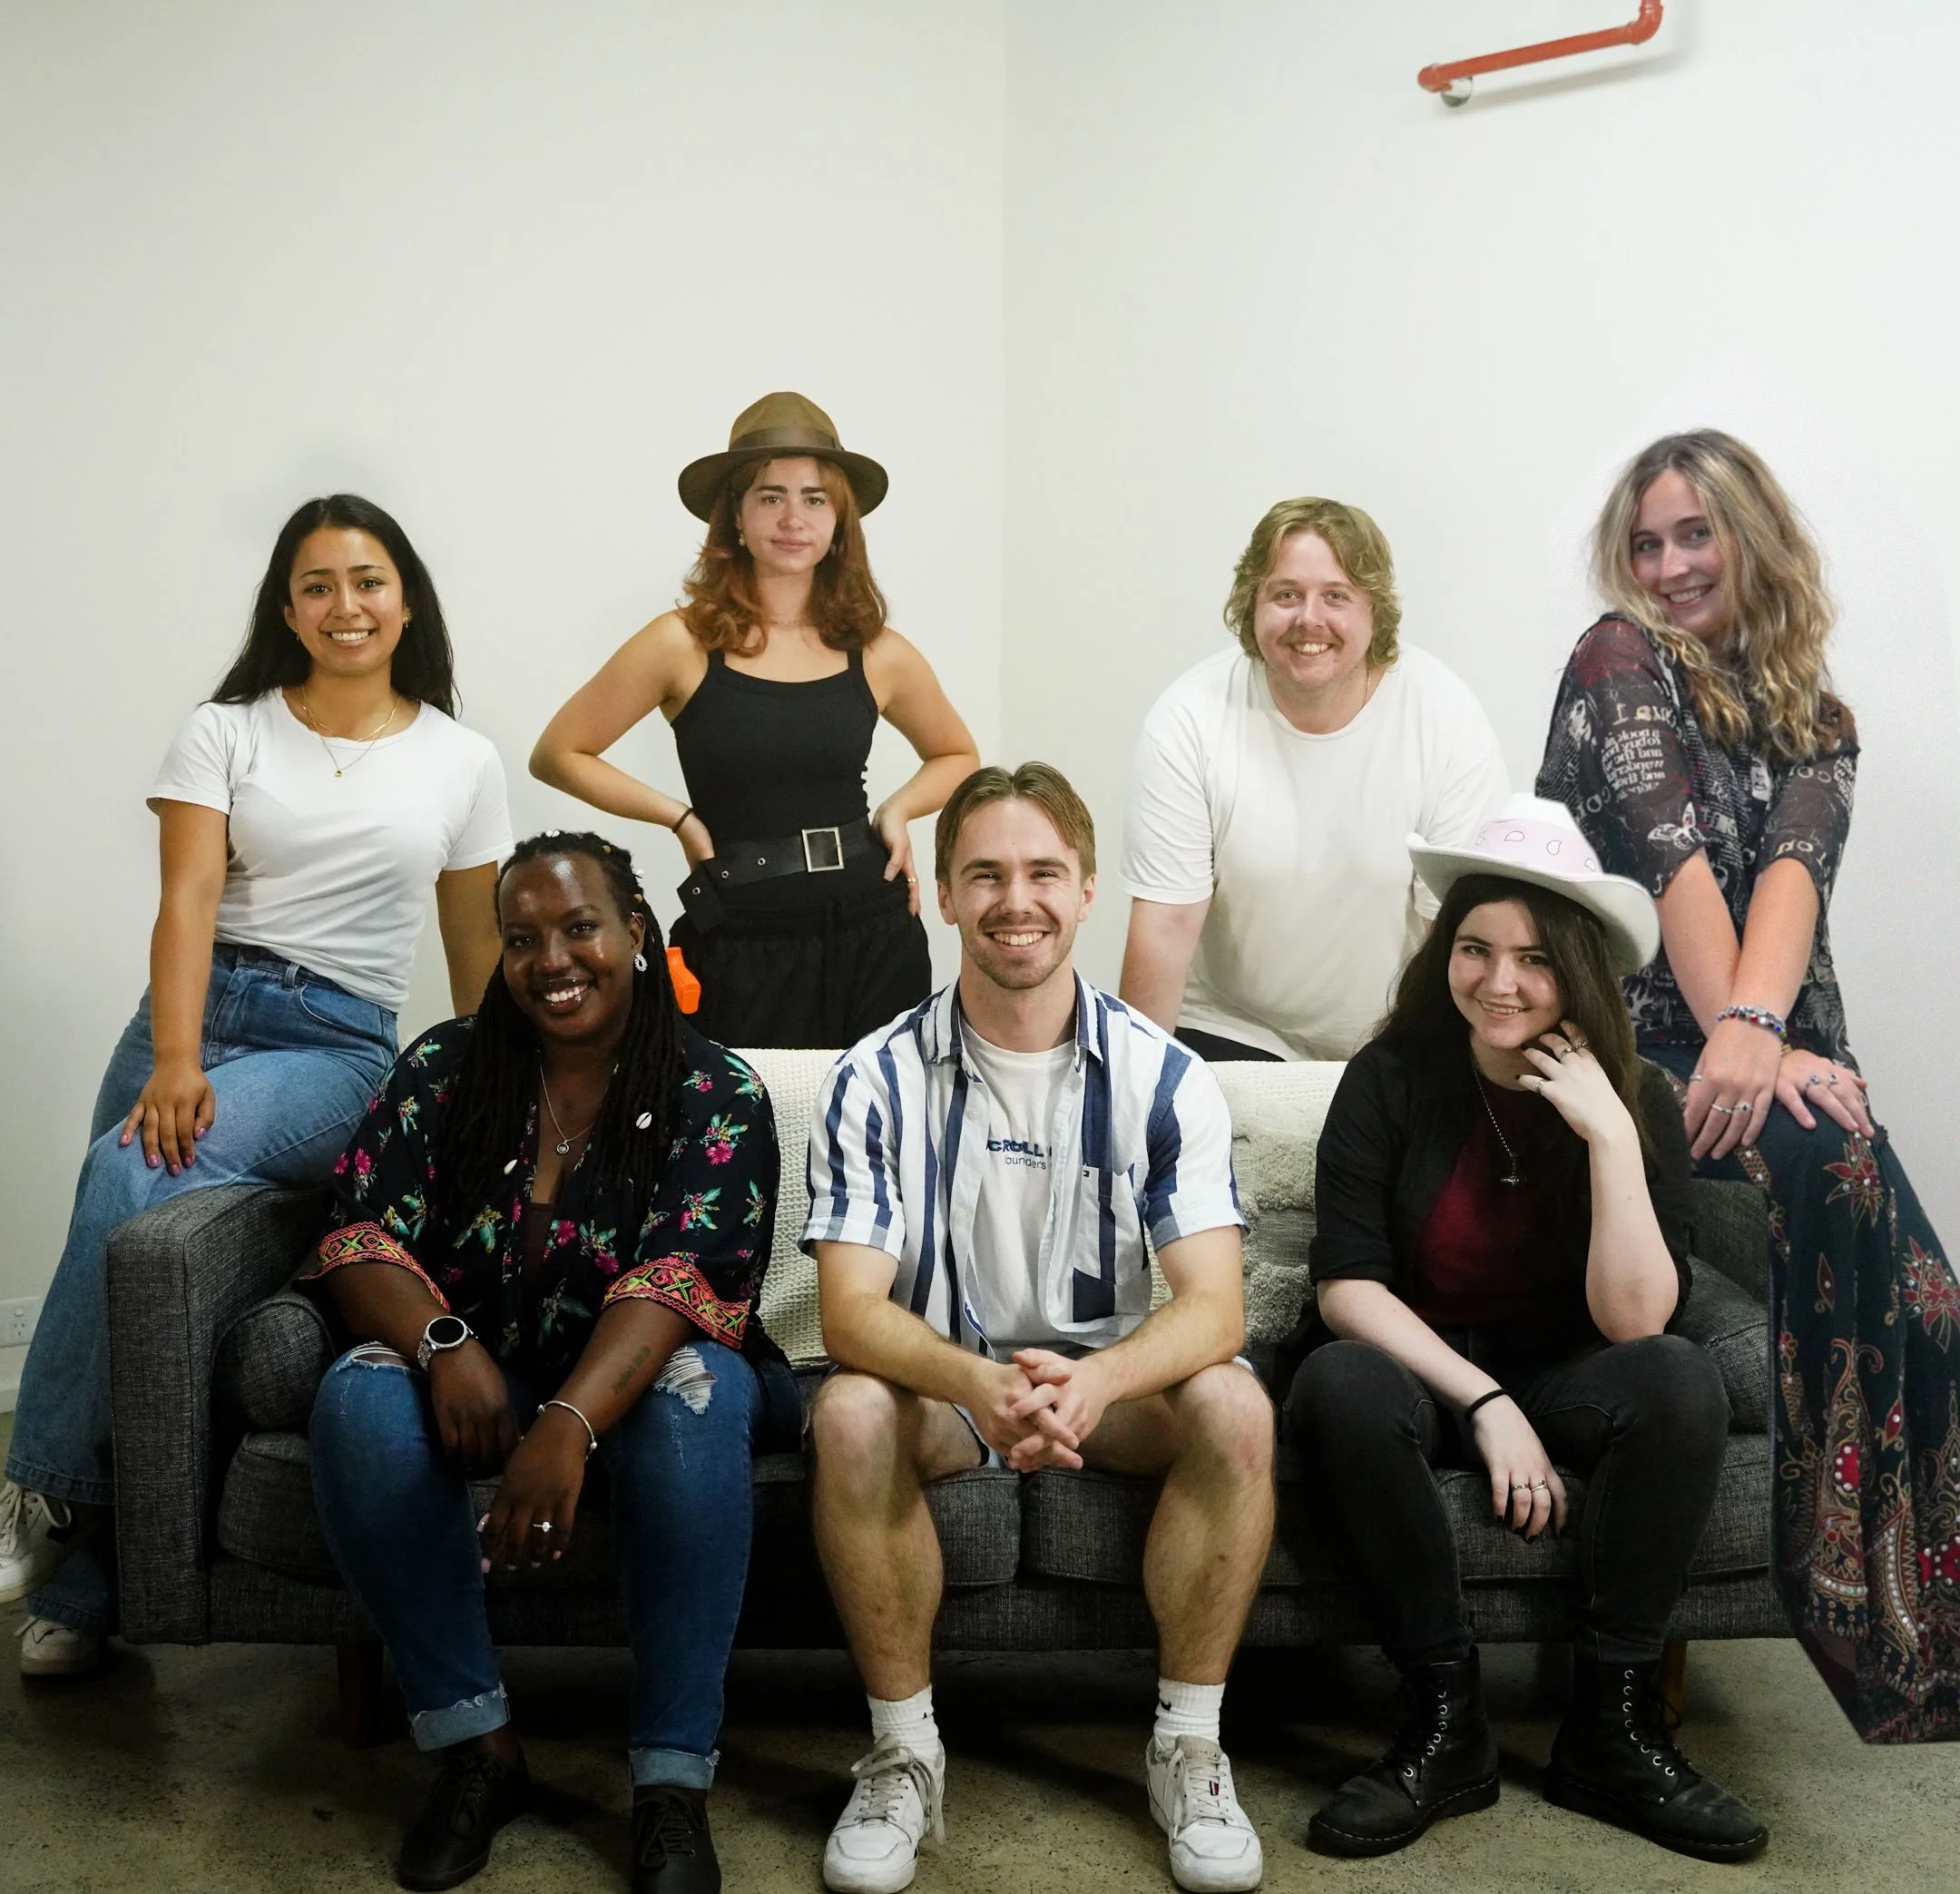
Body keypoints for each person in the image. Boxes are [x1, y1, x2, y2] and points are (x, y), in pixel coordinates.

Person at [0, 495, 510, 1677]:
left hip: (336, 1042)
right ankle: (84, 1592)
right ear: (287, 606)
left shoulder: (460, 758)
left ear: (407, 601)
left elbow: (473, 946)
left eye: (368, 581)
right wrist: (179, 1056)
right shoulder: (225, 730)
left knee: (127, 1168)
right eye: (318, 584)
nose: (346, 605)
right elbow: (187, 898)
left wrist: (492, 1101)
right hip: (189, 1012)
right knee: (131, 1247)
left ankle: (44, 1487)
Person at [1536, 429, 1960, 1743]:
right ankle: (1854, 1612)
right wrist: (1742, 1036)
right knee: (1830, 1153)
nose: (1669, 565)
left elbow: (1792, 876)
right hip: (1640, 1039)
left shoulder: (1817, 714)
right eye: (1647, 542)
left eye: (1695, 534)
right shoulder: (1617, 658)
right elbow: (1673, 866)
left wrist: (1762, 1031)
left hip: (1760, 1030)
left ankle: (1932, 1624)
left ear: (1751, 538)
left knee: (1937, 1301)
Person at [806, 763, 1274, 1894]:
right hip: (944, 1388)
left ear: (1087, 889)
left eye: (1043, 872)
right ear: (945, 894)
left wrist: (1097, 1380)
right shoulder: (872, 1077)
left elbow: (1216, 1306)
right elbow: (849, 1312)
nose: (1016, 899)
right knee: (850, 1411)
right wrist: (979, 1381)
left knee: (1235, 1401)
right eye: (985, 874)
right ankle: (903, 1755)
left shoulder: (1167, 1077)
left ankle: (1188, 1747)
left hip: (1106, 1394)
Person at [303, 831, 793, 1894]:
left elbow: (680, 1280)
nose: (551, 959)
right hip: (484, 1358)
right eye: (522, 938)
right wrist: (442, 1343)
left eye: (579, 927)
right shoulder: (444, 1067)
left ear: (635, 931)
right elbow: (358, 1233)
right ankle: (478, 1750)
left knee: (694, 1399)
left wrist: (566, 1424)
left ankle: (670, 1784)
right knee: (357, 1399)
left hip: (647, 1375)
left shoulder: (717, 1087)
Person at [1283, 795, 1767, 1864]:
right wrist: (1487, 1403)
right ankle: (1445, 1725)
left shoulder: (1638, 1099)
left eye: (1534, 958)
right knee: (1337, 1381)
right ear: (1445, 957)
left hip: (1569, 1369)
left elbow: (1637, 1319)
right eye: (1476, 949)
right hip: (1422, 1370)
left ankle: (1612, 1733)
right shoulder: (1390, 1078)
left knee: (1680, 1377)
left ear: (1578, 970)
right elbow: (1348, 1287)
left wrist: (1609, 1134)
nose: (1499, 980)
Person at [531, 391, 979, 1048]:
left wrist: (900, 809)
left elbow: (958, 754)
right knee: (741, 1113)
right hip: (737, 937)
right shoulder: (680, 643)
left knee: (878, 1110)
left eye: (814, 498)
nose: (793, 518)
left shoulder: (879, 651)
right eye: (771, 496)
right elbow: (559, 752)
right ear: (736, 516)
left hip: (873, 931)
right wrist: (679, 819)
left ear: (838, 522)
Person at [1119, 496, 1509, 1062]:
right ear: (1251, 603)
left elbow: (1456, 931)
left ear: (1374, 610)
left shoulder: (1444, 717)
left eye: (1336, 596)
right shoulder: (1189, 718)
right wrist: (1134, 1089)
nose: (1309, 619)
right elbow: (1165, 926)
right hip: (1233, 1025)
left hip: (1394, 1034)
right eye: (1286, 594)